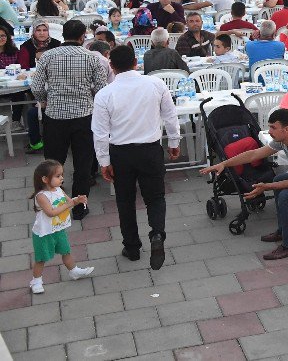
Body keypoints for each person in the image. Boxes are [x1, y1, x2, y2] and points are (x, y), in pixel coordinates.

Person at [202, 108, 288, 260]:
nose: (269, 131)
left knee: (286, 196)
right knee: (278, 180)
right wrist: (224, 164)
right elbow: (254, 154)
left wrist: (265, 187)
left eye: (273, 128)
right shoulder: (282, 140)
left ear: (287, 129)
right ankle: (282, 231)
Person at [92, 45, 181, 268]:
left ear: (111, 66)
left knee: (125, 200)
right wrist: (173, 141)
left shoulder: (105, 94)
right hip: (150, 149)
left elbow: (100, 133)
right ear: (136, 62)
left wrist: (104, 162)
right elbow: (170, 115)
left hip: (121, 152)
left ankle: (132, 246)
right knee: (155, 196)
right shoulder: (155, 84)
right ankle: (157, 233)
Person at [30, 19, 108, 220]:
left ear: (63, 35)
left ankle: (52, 202)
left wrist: (44, 101)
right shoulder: (91, 57)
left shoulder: (48, 56)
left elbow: (37, 87)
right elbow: (101, 89)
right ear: (83, 37)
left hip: (55, 116)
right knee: (83, 163)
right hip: (84, 116)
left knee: (53, 162)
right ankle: (80, 207)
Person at [27, 160, 95, 294]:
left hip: (58, 229)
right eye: (58, 176)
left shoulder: (58, 190)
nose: (62, 178)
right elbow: (51, 212)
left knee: (66, 251)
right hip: (43, 233)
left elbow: (70, 202)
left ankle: (73, 271)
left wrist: (77, 200)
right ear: (45, 179)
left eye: (61, 175)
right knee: (41, 258)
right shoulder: (41, 196)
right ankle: (36, 280)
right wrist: (69, 204)